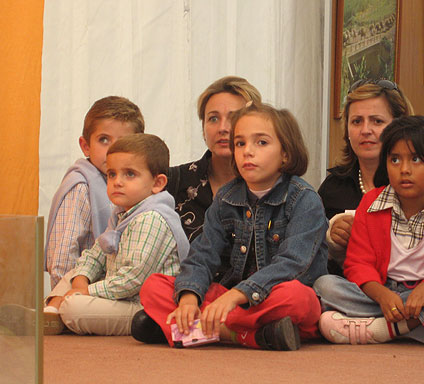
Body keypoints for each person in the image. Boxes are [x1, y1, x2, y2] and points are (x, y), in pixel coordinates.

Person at [133, 103, 328, 351]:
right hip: (232, 299)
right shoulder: (227, 197)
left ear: (286, 154)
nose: (248, 151)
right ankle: (249, 335)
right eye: (240, 143)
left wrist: (234, 297)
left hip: (270, 298)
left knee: (300, 299)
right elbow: (202, 255)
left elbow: (292, 264)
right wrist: (189, 298)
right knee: (154, 286)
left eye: (261, 143)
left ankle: (202, 330)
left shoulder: (304, 199)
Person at [314, 116, 424, 345]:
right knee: (324, 286)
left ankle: (384, 329)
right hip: (381, 294)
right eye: (395, 160)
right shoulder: (371, 203)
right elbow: (358, 264)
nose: (404, 170)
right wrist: (382, 295)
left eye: (416, 159)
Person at [44, 134, 189, 335]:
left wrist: (87, 291)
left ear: (157, 183)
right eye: (112, 174)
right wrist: (82, 279)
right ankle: (51, 312)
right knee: (72, 274)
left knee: (74, 308)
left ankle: (59, 311)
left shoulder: (152, 218)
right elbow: (96, 254)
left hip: (141, 305)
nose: (117, 182)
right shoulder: (122, 213)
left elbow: (132, 280)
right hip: (118, 295)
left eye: (129, 174)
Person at [45, 96, 145, 289]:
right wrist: (67, 300)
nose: (112, 150)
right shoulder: (81, 186)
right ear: (86, 146)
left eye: (124, 142)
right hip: (81, 297)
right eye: (104, 140)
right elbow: (62, 256)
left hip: (113, 290)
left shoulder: (133, 186)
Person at [318, 79, 413, 273]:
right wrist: (332, 238)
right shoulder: (333, 187)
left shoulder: (418, 182)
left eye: (377, 121)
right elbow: (312, 256)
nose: (365, 130)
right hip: (348, 290)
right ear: (347, 130)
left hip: (411, 287)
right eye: (356, 121)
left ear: (400, 127)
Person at [166, 76, 262, 241]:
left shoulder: (272, 187)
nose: (223, 128)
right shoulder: (172, 182)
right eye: (213, 119)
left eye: (233, 118)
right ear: (203, 128)